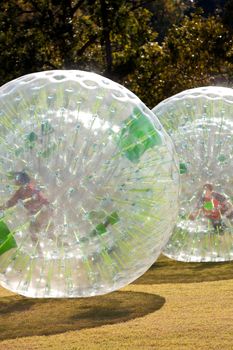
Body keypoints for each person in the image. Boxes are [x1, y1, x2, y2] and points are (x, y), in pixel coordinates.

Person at [0, 171, 54, 253]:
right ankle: (40, 253)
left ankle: (42, 251)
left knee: (40, 232)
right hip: (37, 214)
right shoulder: (20, 192)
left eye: (16, 179)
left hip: (43, 212)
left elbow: (43, 200)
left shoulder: (32, 189)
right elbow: (11, 202)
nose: (14, 181)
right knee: (34, 232)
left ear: (21, 180)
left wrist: (40, 211)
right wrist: (1, 208)